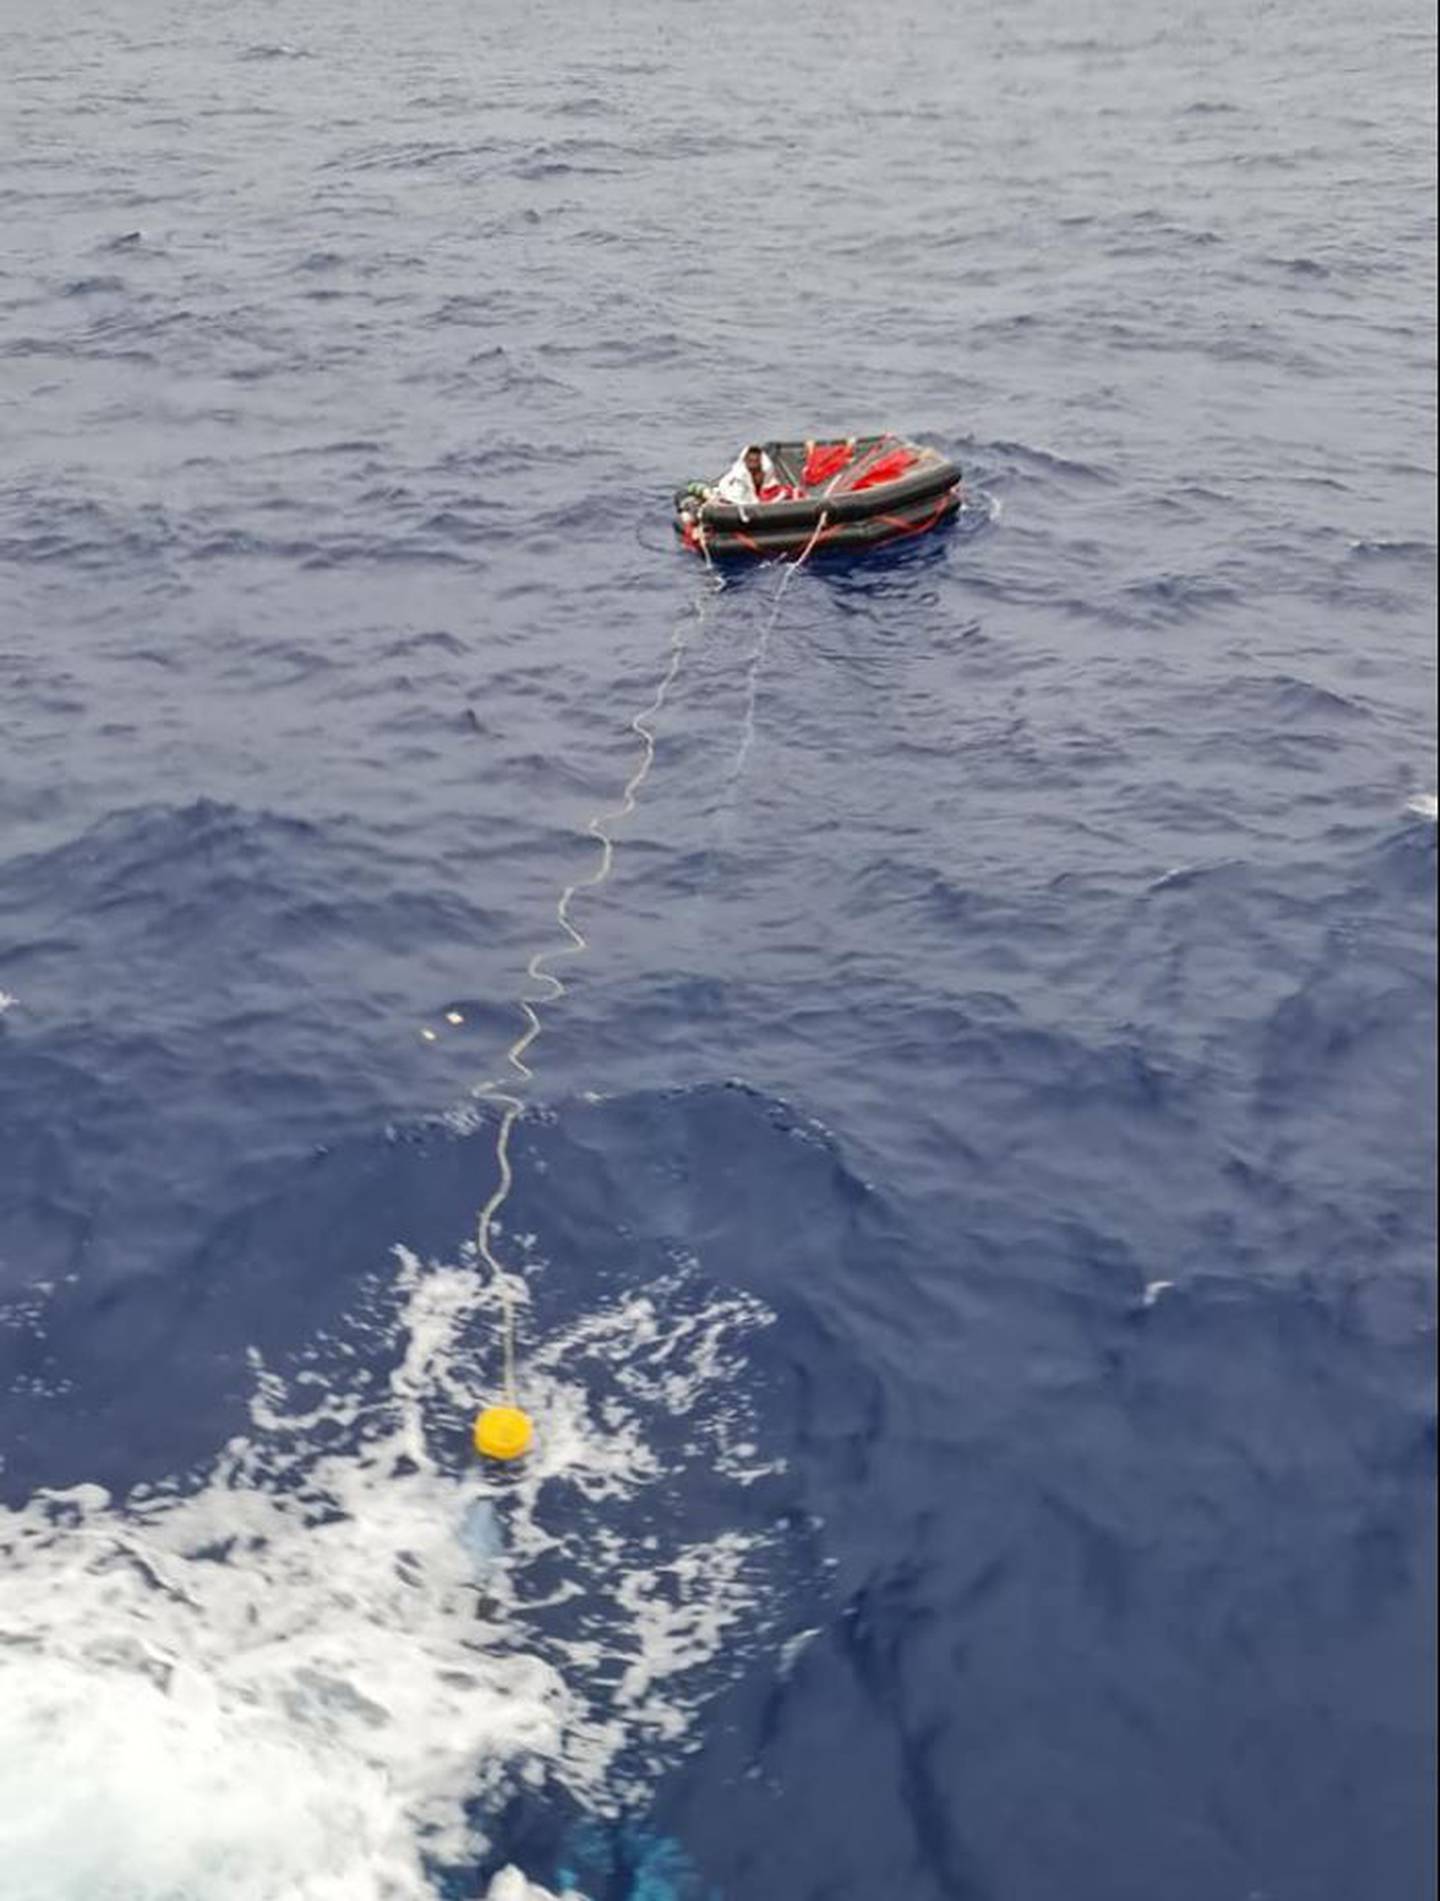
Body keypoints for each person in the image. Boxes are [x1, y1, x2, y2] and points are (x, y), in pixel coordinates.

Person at [713, 443, 791, 507]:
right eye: (751, 471)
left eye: (756, 471)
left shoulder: (771, 487)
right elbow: (737, 499)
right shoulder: (738, 479)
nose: (754, 476)